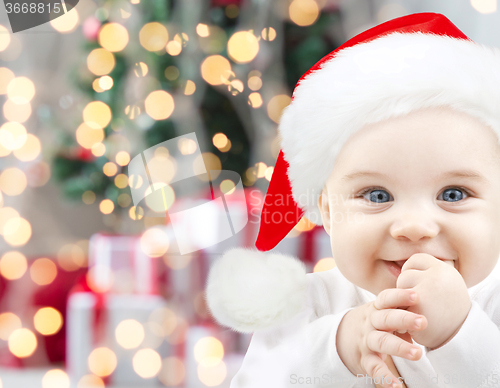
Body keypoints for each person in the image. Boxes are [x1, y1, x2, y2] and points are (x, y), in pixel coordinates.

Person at [206, 13, 500, 388]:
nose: (414, 225)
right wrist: (340, 347)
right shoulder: (308, 305)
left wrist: (459, 334)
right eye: (378, 195)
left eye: (454, 194)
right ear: (328, 210)